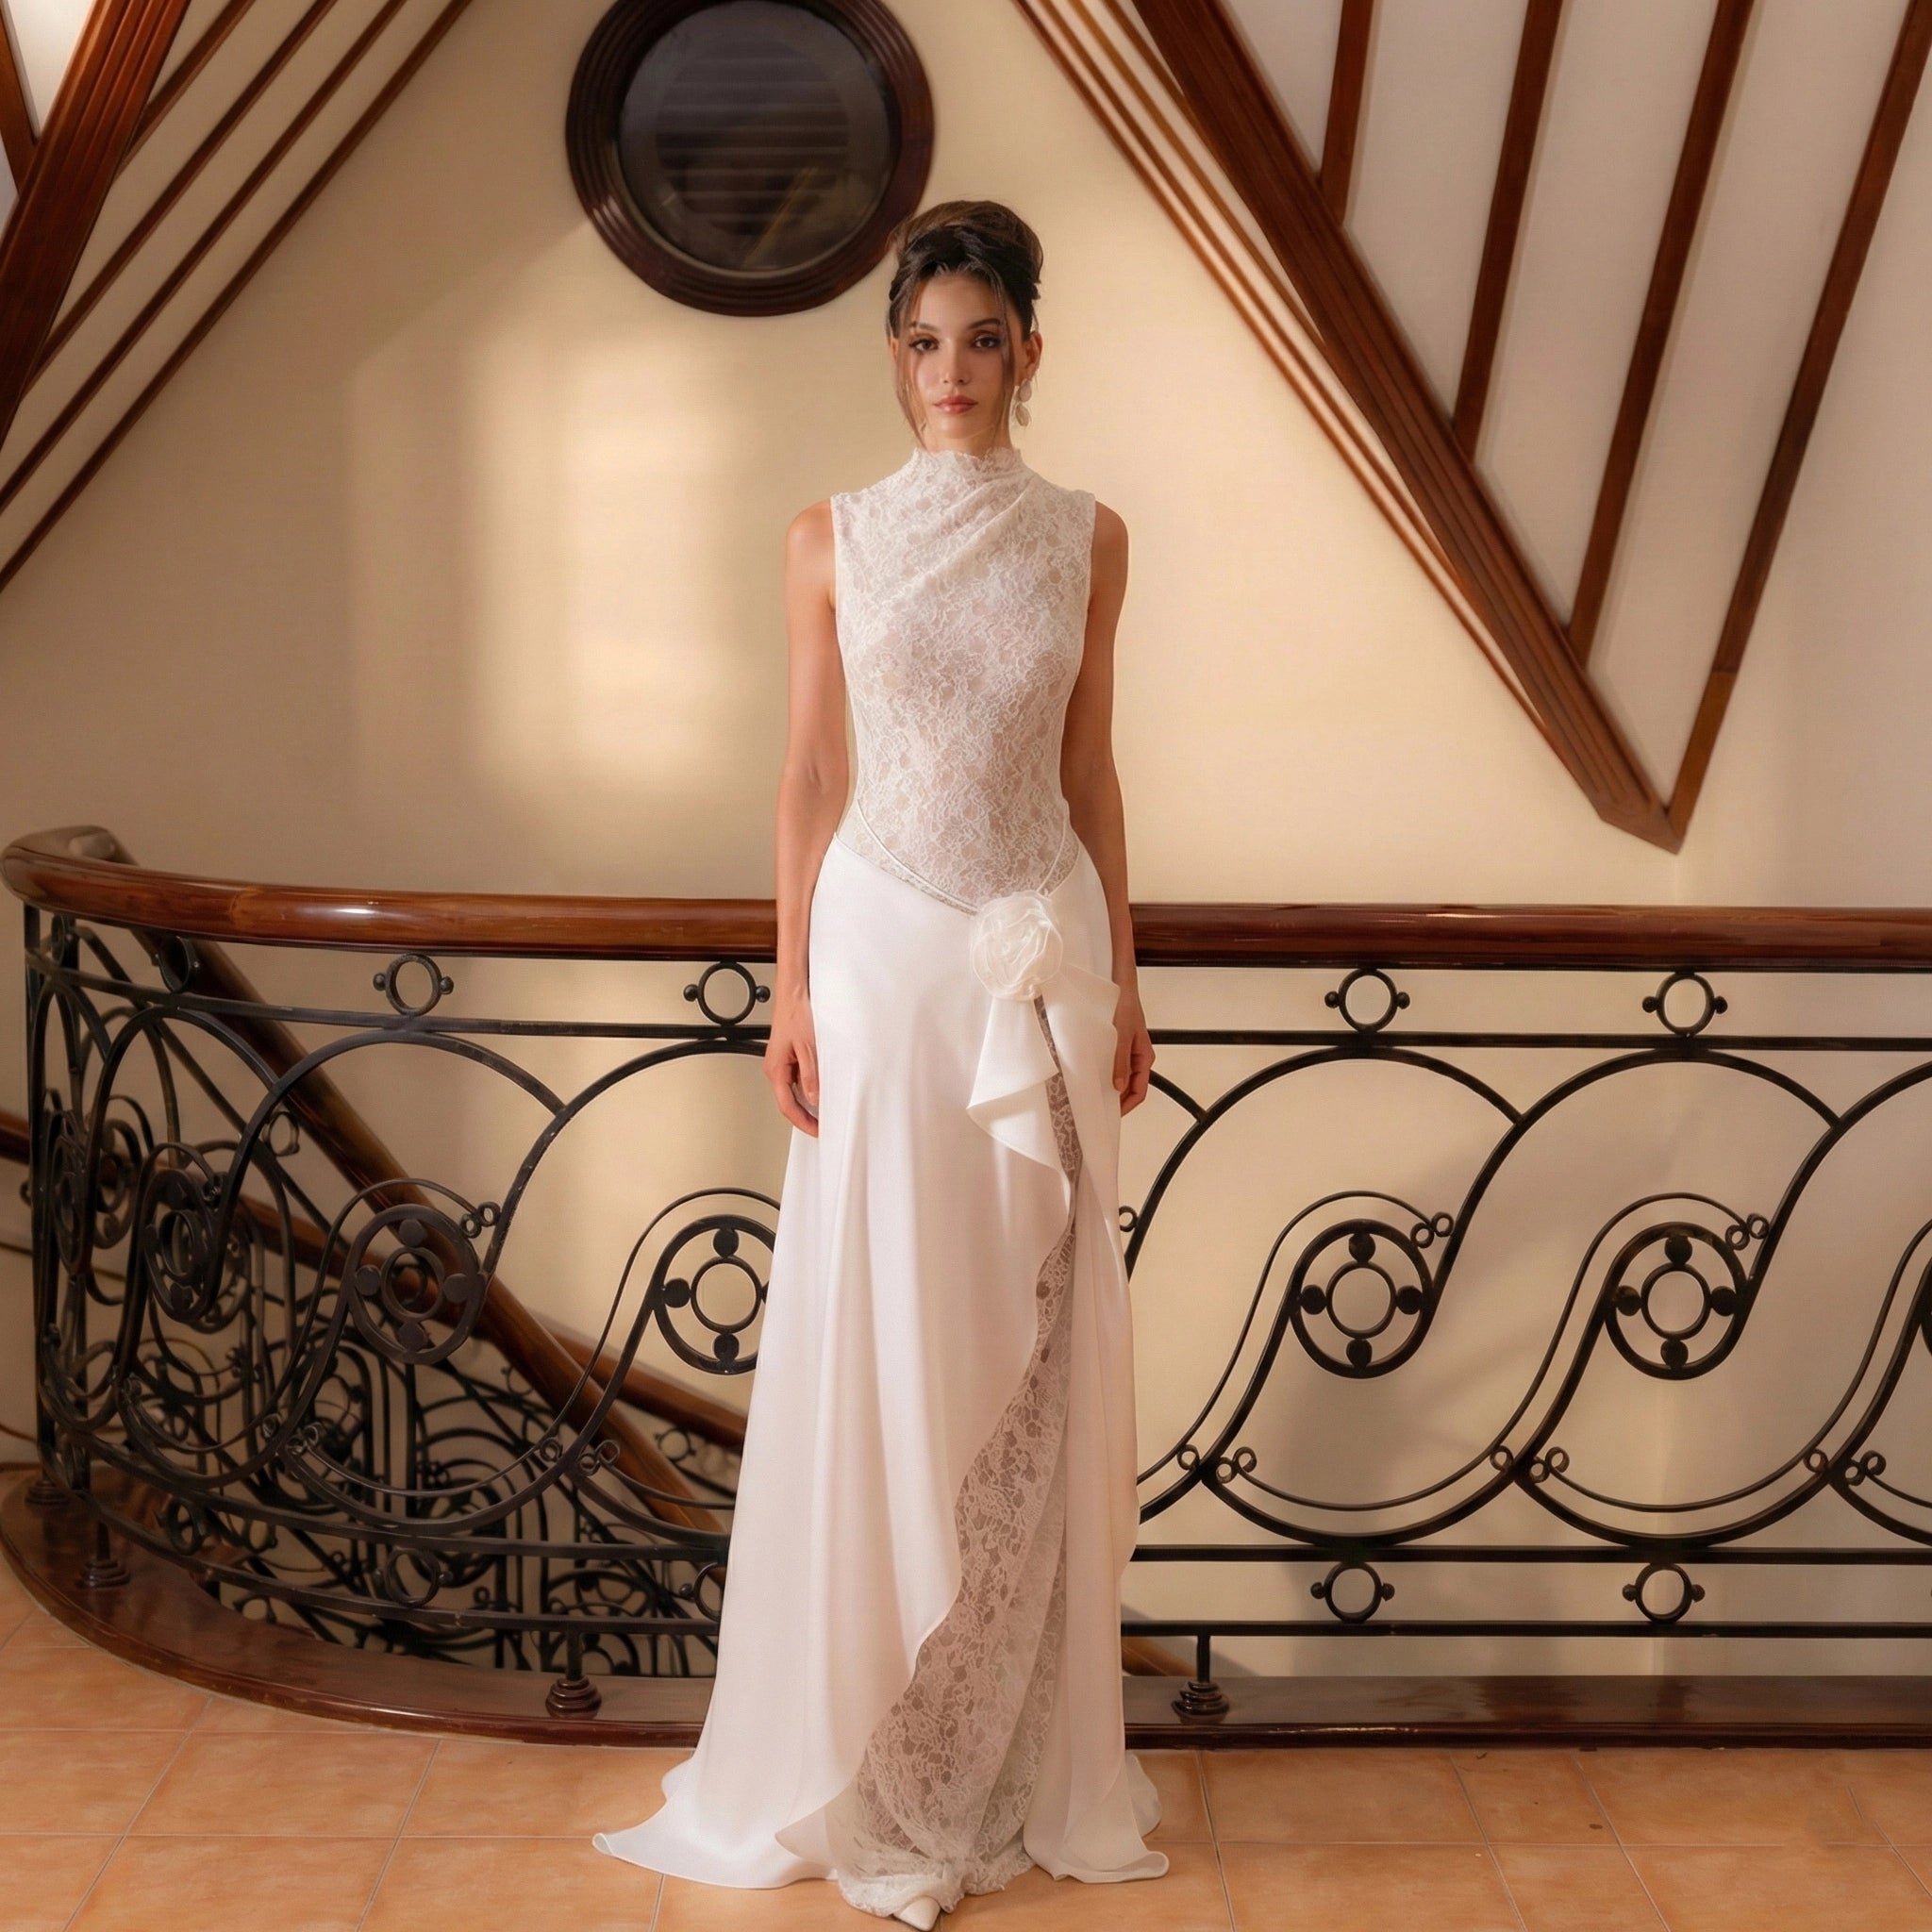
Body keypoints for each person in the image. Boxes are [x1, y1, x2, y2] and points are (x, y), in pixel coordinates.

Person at [594, 198, 1168, 1925]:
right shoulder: (825, 538)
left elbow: (1095, 775)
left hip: (1040, 957)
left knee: (1032, 1335)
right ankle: (865, 1747)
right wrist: (787, 989)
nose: (952, 374)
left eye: (983, 340)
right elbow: (806, 779)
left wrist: (1129, 970)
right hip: (882, 961)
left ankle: (992, 1751)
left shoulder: (1092, 536)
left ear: (1030, 356)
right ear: (894, 356)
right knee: (889, 1334)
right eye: (924, 343)